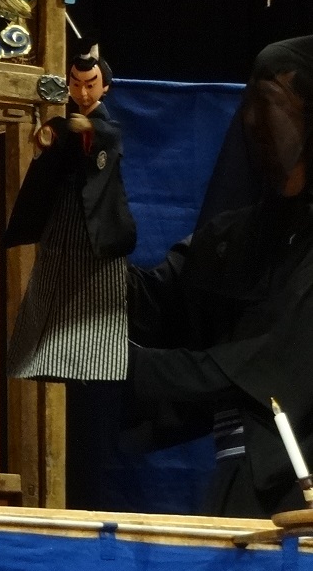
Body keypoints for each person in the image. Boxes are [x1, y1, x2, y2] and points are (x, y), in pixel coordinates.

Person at [125, 35, 313, 517]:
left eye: (270, 101)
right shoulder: (238, 237)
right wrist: (87, 183)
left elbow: (259, 363)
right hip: (239, 476)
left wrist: (121, 363)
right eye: (250, 102)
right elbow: (148, 299)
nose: (252, 121)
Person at [4, 47, 136, 380]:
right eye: (76, 84)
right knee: (46, 287)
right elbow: (54, 144)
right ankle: (38, 362)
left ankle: (95, 365)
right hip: (61, 221)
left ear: (105, 87)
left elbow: (108, 136)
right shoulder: (66, 123)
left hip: (93, 227)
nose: (83, 92)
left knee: (95, 303)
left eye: (91, 84)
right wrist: (47, 138)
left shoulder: (105, 126)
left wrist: (86, 129)